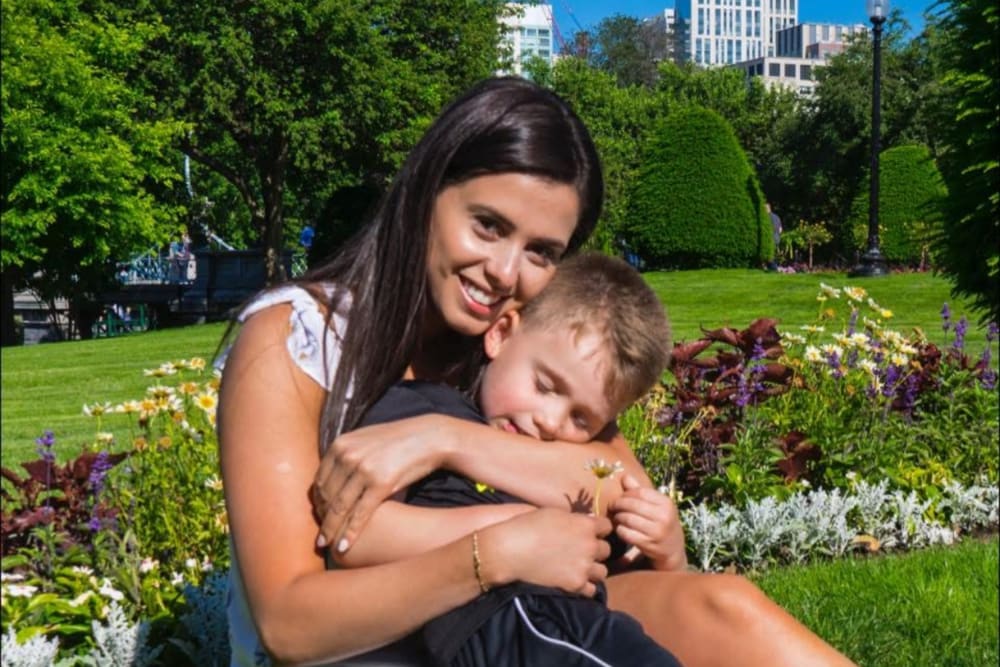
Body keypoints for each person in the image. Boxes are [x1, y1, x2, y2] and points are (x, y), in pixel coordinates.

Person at [220, 76, 855, 667]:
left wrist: (444, 438)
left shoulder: (521, 342)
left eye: (541, 252)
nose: (504, 272)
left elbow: (618, 488)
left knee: (723, 606)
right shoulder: (295, 339)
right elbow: (288, 623)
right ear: (426, 192)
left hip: (517, 624)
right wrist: (495, 553)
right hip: (368, 645)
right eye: (487, 225)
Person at [337, 254, 679, 666]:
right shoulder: (424, 408)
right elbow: (355, 537)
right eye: (544, 385)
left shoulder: (569, 461)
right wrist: (513, 534)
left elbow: (633, 564)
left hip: (571, 627)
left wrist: (670, 553)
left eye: (581, 418)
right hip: (510, 627)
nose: (550, 421)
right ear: (501, 334)